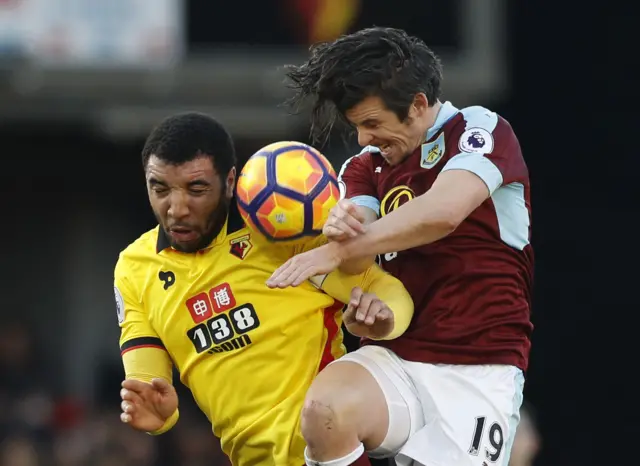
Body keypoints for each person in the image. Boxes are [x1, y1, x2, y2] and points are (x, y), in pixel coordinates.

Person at [268, 27, 533, 466]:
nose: (363, 139)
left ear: (418, 105)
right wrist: (346, 242)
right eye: (357, 127)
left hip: (479, 366)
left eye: (372, 124)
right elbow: (359, 261)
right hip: (397, 359)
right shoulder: (362, 167)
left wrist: (333, 253)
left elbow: (443, 212)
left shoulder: (479, 131)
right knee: (326, 412)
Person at [114, 112, 415, 466]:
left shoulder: (283, 230)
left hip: (333, 447)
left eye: (197, 189)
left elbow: (384, 290)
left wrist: (385, 320)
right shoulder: (134, 268)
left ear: (229, 182)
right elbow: (146, 379)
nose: (176, 209)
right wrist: (158, 415)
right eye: (160, 189)